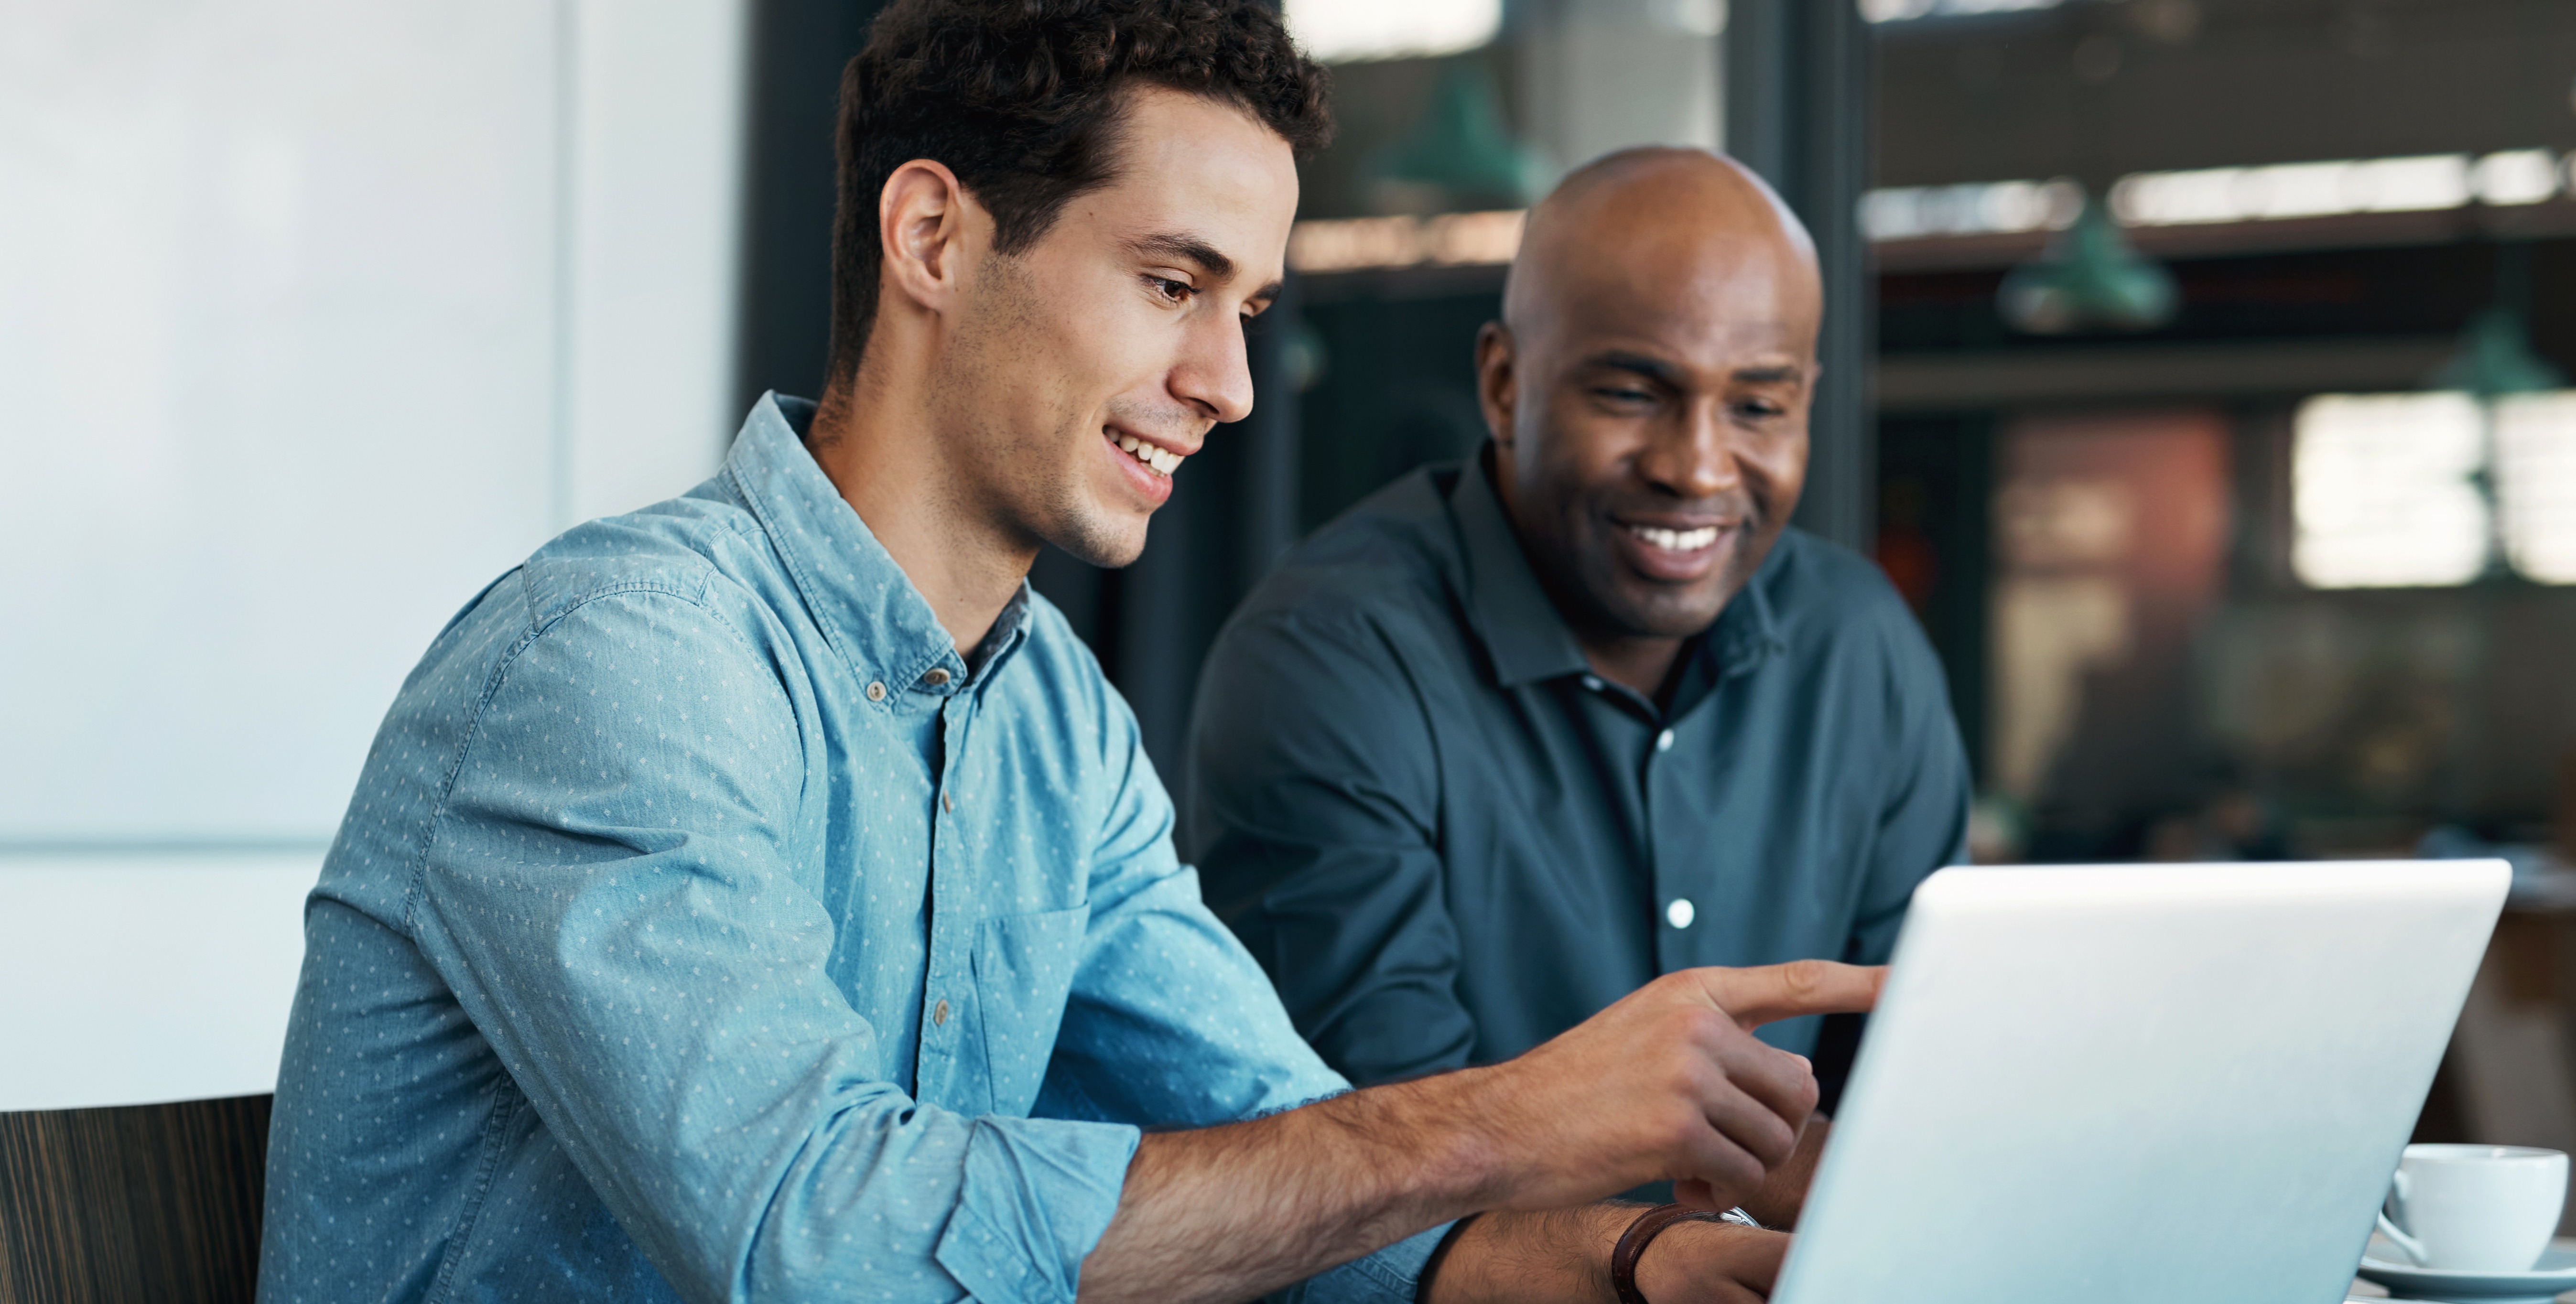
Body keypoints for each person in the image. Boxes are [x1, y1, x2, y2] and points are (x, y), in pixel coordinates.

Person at [256, 6, 1878, 1302]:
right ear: (935, 240)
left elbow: (1293, 1169)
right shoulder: (621, 665)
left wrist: (1638, 1258)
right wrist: (1505, 1122)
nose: (1230, 383)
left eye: (1245, 308)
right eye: (1173, 283)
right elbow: (820, 1242)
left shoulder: (1051, 726)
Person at [1187, 148, 1971, 1224]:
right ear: (1504, 384)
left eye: (1757, 407)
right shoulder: (1329, 656)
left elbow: (1929, 1090)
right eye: (1633, 392)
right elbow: (1382, 1170)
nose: (1697, 467)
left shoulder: (1858, 645)